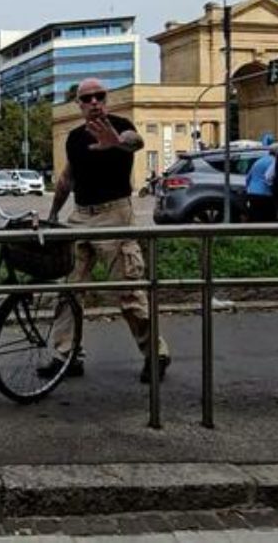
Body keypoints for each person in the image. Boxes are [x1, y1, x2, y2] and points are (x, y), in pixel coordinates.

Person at [43, 77, 171, 384]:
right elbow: (67, 179)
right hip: (81, 216)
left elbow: (135, 141)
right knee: (68, 290)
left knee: (128, 291)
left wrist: (116, 143)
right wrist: (52, 216)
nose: (94, 102)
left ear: (107, 99)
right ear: (79, 104)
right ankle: (66, 355)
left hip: (115, 214)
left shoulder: (121, 125)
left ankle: (156, 355)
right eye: (87, 98)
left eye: (99, 96)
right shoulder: (74, 138)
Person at [244, 143, 278, 223]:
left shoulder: (260, 160)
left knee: (255, 217)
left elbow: (248, 177)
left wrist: (248, 189)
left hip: (252, 192)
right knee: (268, 218)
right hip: (266, 193)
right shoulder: (274, 161)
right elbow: (272, 177)